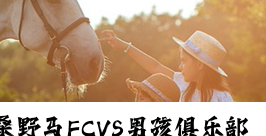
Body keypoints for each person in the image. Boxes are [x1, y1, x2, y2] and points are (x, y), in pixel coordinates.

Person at [99, 30, 233, 102]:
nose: (180, 66)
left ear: (199, 64)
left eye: (184, 61)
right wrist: (124, 46)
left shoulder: (222, 97)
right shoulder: (184, 83)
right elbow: (155, 66)